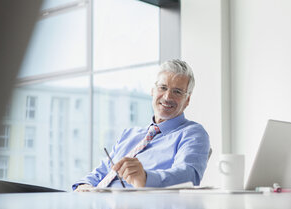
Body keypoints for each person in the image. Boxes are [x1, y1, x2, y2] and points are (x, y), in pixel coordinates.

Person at [73, 59, 211, 191]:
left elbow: (188, 176)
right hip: (95, 203)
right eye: (163, 88)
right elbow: (103, 169)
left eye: (177, 92)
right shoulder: (129, 134)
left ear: (187, 100)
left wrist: (145, 178)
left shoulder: (193, 133)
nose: (167, 97)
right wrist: (85, 184)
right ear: (153, 91)